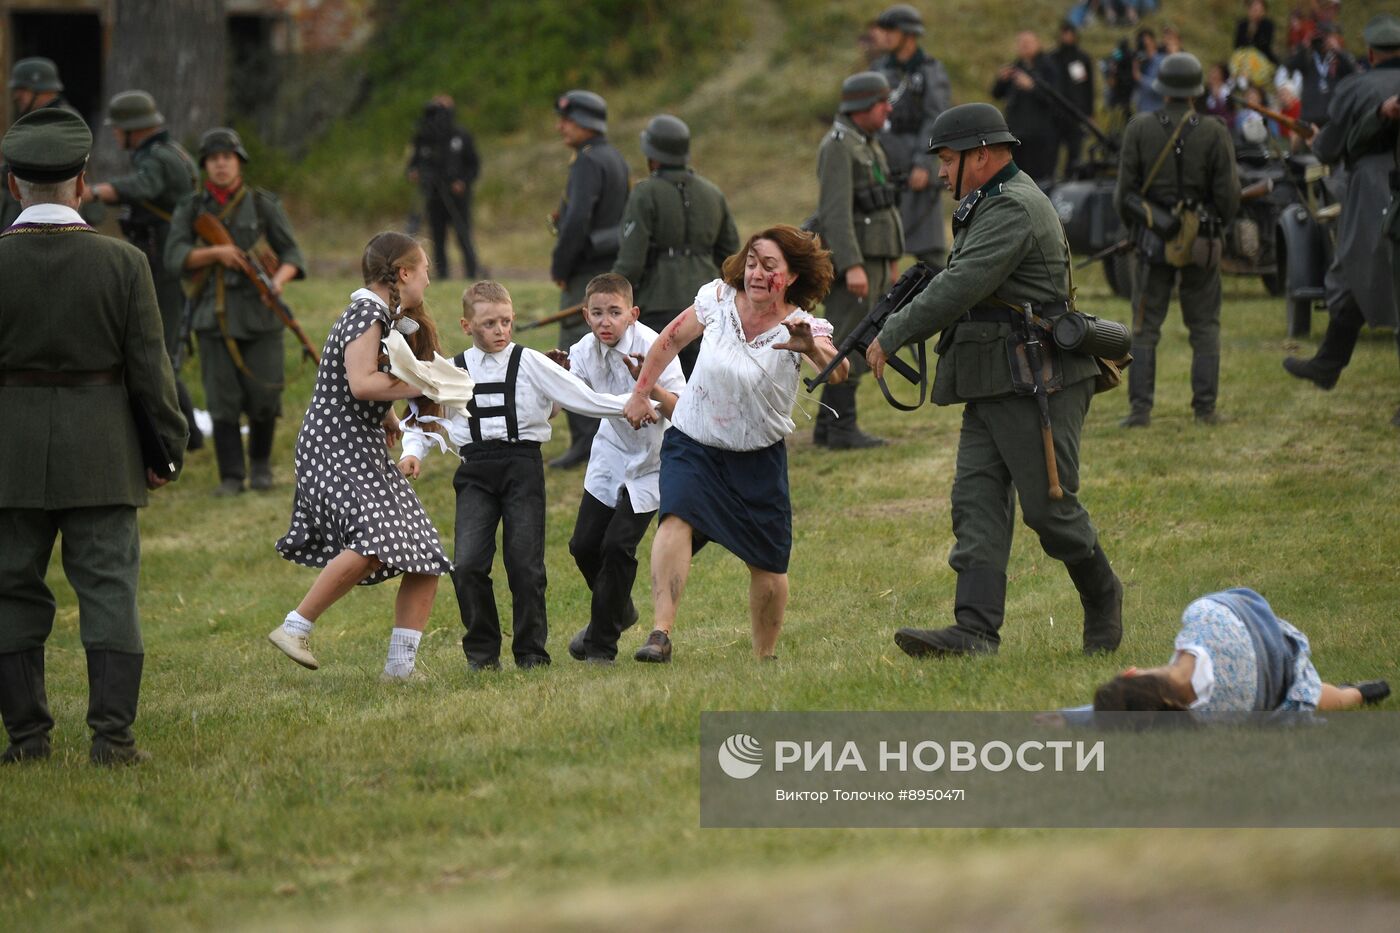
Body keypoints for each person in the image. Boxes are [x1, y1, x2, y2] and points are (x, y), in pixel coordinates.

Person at [865, 103, 1123, 658]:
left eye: (948, 159)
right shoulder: (991, 202)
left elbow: (962, 285)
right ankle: (975, 630)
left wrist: (892, 333)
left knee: (1049, 510)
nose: (939, 172)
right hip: (995, 376)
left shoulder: (1012, 207)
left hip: (1036, 380)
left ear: (982, 156)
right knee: (975, 501)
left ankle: (1103, 595)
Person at [0, 108, 187, 765]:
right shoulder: (124, 262)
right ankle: (112, 737)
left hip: (9, 456)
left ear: (12, 183)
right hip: (105, 452)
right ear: (82, 182)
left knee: (9, 589)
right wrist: (165, 448)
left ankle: (26, 739)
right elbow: (149, 371)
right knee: (110, 589)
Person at [622, 225, 846, 663]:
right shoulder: (718, 299)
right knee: (676, 517)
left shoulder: (802, 323)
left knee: (769, 563)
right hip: (694, 440)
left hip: (757, 456)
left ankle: (765, 656)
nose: (757, 274)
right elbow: (670, 340)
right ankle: (659, 633)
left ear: (792, 276)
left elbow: (838, 372)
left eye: (769, 266)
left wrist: (811, 350)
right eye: (751, 262)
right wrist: (640, 391)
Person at [400, 281, 643, 671]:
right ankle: (482, 654)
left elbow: (581, 396)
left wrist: (632, 402)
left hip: (522, 468)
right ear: (466, 325)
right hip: (474, 473)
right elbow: (422, 418)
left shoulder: (531, 362)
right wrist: (412, 453)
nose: (500, 330)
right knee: (468, 564)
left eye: (507, 322)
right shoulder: (452, 370)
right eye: (489, 323)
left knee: (525, 565)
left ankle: (531, 652)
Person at [270, 232, 451, 681]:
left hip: (361, 443)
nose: (428, 278)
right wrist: (427, 384)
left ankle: (400, 669)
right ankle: (294, 627)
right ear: (403, 273)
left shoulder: (382, 314)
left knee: (425, 555)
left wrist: (388, 416)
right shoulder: (368, 311)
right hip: (334, 446)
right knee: (371, 542)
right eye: (424, 268)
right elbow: (361, 382)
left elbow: (363, 386)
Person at [164, 127, 305, 496]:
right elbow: (174, 257)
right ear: (205, 165)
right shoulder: (192, 208)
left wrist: (278, 282)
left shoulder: (261, 204)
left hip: (260, 314)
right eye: (214, 158)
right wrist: (216, 254)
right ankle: (230, 475)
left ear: (239, 162)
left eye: (228, 157)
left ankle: (259, 468)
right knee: (221, 399)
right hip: (213, 315)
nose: (221, 164)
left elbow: (292, 255)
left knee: (264, 396)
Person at [560, 273, 686, 663]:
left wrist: (646, 390)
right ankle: (619, 611)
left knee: (618, 545)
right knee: (583, 546)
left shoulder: (655, 346)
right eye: (597, 313)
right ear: (585, 315)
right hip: (610, 454)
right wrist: (553, 377)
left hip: (653, 463)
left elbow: (682, 408)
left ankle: (601, 646)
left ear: (632, 314)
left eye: (614, 312)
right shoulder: (583, 350)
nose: (605, 322)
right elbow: (568, 395)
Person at [1283, 15, 1400, 427]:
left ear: (1370, 53)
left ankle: (1329, 366)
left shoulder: (1356, 88)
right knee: (1355, 278)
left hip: (1372, 195)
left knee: (1359, 271)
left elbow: (1331, 149)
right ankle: (1328, 364)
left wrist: (1319, 141)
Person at [1115, 53, 1241, 428]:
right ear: (1195, 91)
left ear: (1162, 89)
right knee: (1205, 326)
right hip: (1201, 242)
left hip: (1152, 240)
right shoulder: (1215, 131)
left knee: (1143, 327)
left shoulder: (1139, 128)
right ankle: (1205, 409)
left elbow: (1124, 195)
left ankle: (1140, 411)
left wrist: (1138, 230)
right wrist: (1213, 228)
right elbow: (1229, 197)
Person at [84, 90, 202, 451]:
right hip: (161, 258)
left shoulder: (157, 159)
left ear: (133, 129)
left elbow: (143, 186)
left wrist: (97, 192)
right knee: (160, 349)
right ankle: (191, 435)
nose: (115, 135)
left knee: (161, 351)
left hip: (162, 262)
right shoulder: (168, 153)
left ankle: (186, 436)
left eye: (118, 128)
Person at [1089, 589, 1390, 713]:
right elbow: (1244, 598)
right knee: (1322, 693)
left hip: (1280, 682)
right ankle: (1356, 693)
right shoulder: (1202, 616)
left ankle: (1357, 694)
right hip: (1276, 642)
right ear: (1130, 671)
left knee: (1324, 697)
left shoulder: (1215, 716)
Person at [812, 71, 903, 450]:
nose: (888, 109)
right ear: (863, 106)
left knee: (856, 336)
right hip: (858, 261)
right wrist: (850, 264)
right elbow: (835, 212)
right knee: (847, 342)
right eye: (882, 102)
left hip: (874, 258)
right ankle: (843, 430)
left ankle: (826, 427)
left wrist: (891, 258)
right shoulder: (839, 145)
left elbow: (881, 205)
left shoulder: (865, 142)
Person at [611, 114, 739, 379]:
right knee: (702, 383)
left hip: (659, 305)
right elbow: (731, 255)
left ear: (652, 156)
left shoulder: (645, 193)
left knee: (662, 386)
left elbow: (631, 261)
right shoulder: (712, 193)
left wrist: (611, 295)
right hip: (708, 304)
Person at [549, 90, 630, 470]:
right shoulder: (614, 158)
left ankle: (584, 440)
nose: (560, 126)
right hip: (608, 266)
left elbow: (578, 220)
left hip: (584, 269)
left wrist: (560, 265)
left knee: (571, 354)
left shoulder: (586, 162)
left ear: (585, 122)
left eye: (568, 119)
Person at [873, 4, 953, 269]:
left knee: (930, 255)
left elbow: (936, 118)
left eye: (890, 30)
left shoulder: (930, 71)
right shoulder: (878, 70)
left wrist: (923, 162)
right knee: (879, 250)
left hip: (915, 171)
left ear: (908, 34)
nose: (883, 36)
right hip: (884, 170)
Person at [2, 57, 85, 230]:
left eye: (22, 89)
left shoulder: (61, 118)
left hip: (51, 208)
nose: (17, 96)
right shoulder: (42, 117)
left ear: (40, 88)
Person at [407, 95, 481, 281]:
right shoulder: (423, 138)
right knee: (437, 237)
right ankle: (442, 274)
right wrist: (414, 172)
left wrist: (462, 182)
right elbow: (414, 163)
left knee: (463, 235)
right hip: (432, 194)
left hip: (457, 196)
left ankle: (472, 272)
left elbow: (474, 165)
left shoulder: (460, 136)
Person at [992, 32, 1062, 188]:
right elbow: (996, 94)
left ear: (1038, 44)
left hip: (1040, 135)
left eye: (1028, 43)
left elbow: (1055, 99)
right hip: (1016, 134)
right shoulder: (1015, 68)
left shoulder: (1048, 68)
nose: (1024, 47)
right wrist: (1001, 80)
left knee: (1039, 181)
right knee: (1015, 179)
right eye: (1021, 43)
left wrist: (1032, 87)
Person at [1282, 23, 1357, 128]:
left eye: (1328, 37)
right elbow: (1289, 65)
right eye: (1322, 37)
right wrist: (1304, 45)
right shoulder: (1307, 57)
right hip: (1310, 118)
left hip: (1334, 117)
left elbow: (1354, 72)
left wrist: (1338, 50)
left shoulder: (1339, 57)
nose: (1324, 41)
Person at [1052, 21, 1097, 179]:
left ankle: (1070, 178)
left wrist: (1089, 113)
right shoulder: (1053, 57)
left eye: (1070, 33)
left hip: (1077, 113)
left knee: (1075, 151)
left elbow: (1088, 88)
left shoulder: (1082, 58)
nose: (1067, 37)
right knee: (1053, 151)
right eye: (1064, 33)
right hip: (1056, 114)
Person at [1235, 0, 1279, 65]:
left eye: (1258, 10)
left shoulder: (1268, 25)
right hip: (1243, 58)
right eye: (1253, 9)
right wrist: (1249, 32)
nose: (1255, 12)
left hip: (1262, 58)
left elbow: (1265, 45)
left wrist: (1255, 31)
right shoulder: (1242, 25)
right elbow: (1237, 45)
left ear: (1263, 12)